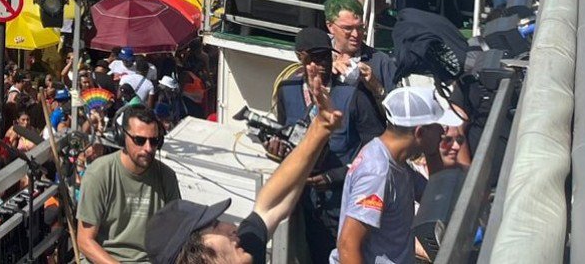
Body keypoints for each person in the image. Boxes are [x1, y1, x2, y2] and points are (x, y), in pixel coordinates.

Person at [146, 106, 343, 263]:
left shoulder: (242, 253)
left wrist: (319, 130)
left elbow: (269, 205)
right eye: (215, 226)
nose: (232, 227)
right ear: (197, 257)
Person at [273, 27, 385, 264]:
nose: (321, 64)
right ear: (300, 57)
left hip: (345, 203)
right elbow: (286, 138)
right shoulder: (287, 92)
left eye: (325, 56)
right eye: (314, 58)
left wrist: (335, 176)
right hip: (305, 206)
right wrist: (276, 151)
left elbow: (377, 150)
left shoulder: (353, 95)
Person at [331, 87, 461, 264]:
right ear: (420, 132)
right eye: (438, 127)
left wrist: (432, 152)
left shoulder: (397, 162)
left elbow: (433, 197)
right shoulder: (377, 173)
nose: (442, 133)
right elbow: (347, 245)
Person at [75, 108, 180, 264]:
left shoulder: (167, 177)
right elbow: (84, 241)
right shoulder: (98, 174)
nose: (148, 148)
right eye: (139, 140)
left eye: (154, 141)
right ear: (122, 137)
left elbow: (176, 231)